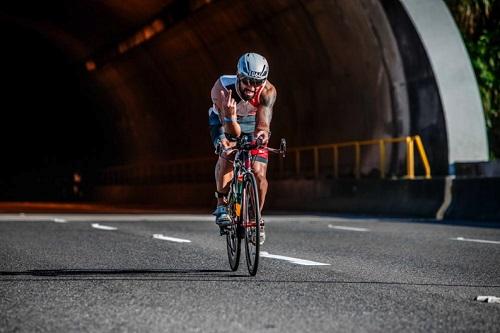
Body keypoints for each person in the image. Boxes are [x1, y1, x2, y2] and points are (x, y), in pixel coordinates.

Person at [208, 52, 277, 244]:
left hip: (252, 122)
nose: (252, 87)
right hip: (225, 121)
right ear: (239, 76)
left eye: (257, 82)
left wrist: (262, 135)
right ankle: (222, 202)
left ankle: (256, 219)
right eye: (247, 81)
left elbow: (263, 125)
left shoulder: (268, 91)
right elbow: (232, 134)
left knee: (259, 175)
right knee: (228, 152)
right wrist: (230, 116)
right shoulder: (222, 88)